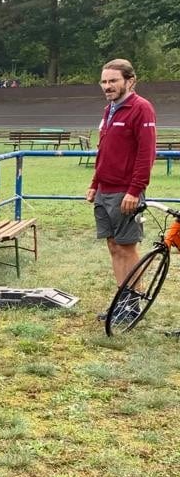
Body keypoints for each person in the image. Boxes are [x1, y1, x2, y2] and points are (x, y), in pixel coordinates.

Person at [85, 59, 157, 321]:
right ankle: (121, 301)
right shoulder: (109, 110)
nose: (107, 86)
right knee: (114, 246)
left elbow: (146, 154)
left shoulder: (141, 109)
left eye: (113, 80)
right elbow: (104, 151)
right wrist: (95, 184)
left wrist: (134, 190)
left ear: (130, 81)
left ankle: (132, 305)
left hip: (125, 192)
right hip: (105, 190)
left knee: (127, 248)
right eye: (104, 81)